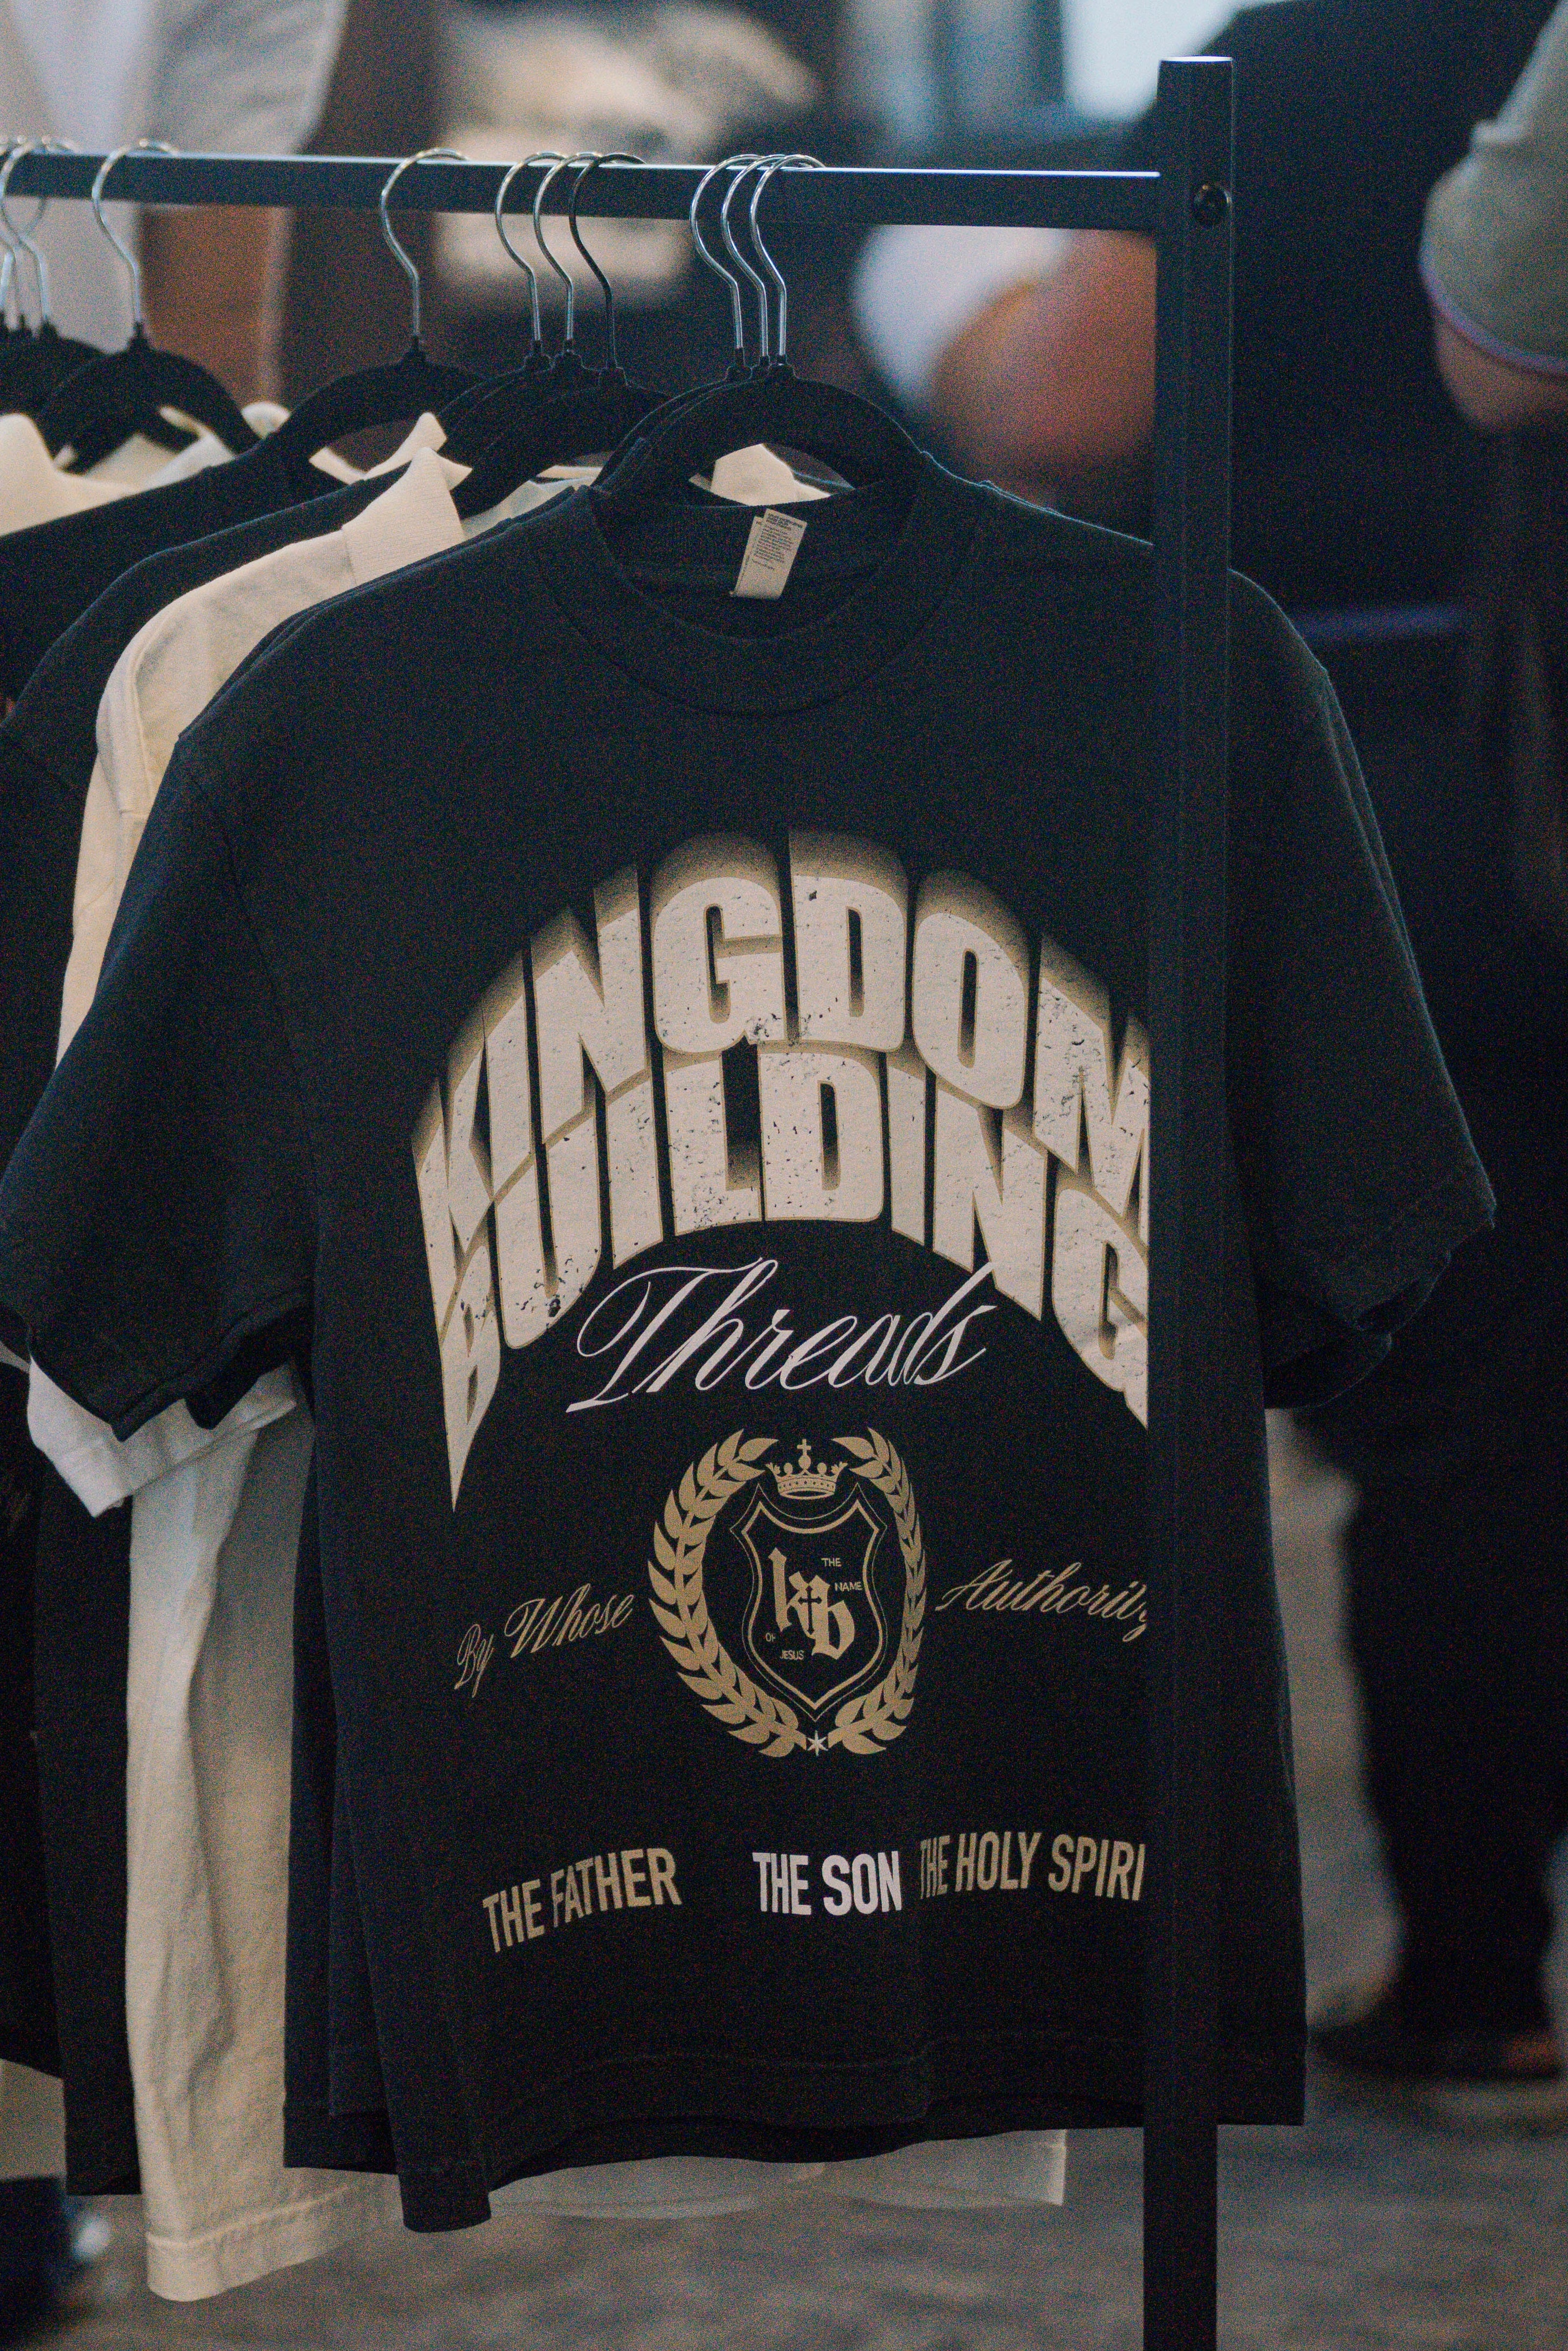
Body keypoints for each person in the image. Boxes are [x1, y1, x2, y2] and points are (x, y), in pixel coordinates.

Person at [855, 0, 1568, 2115]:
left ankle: (1473, 1978)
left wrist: (926, 294)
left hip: (1401, 763)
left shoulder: (1305, 58)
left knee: (1458, 1404)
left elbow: (1067, 404)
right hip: (1495, 725)